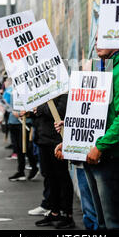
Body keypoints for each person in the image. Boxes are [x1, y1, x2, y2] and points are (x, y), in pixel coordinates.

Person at [55, 47, 119, 230]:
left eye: (103, 38)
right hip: (94, 155)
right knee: (101, 222)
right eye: (95, 39)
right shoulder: (101, 71)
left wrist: (100, 146)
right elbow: (89, 116)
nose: (96, 44)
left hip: (111, 157)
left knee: (115, 222)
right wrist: (71, 141)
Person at [33, 94, 75, 229]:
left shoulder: (63, 92)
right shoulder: (44, 93)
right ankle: (55, 211)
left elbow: (60, 111)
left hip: (56, 140)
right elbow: (40, 113)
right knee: (50, 177)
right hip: (43, 139)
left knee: (62, 177)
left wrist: (39, 109)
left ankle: (67, 214)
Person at [3, 79, 39, 181]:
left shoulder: (28, 89)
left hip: (24, 122)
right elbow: (7, 104)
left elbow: (32, 107)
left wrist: (21, 113)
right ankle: (21, 171)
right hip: (13, 121)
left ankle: (34, 167)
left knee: (25, 147)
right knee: (18, 148)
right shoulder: (11, 90)